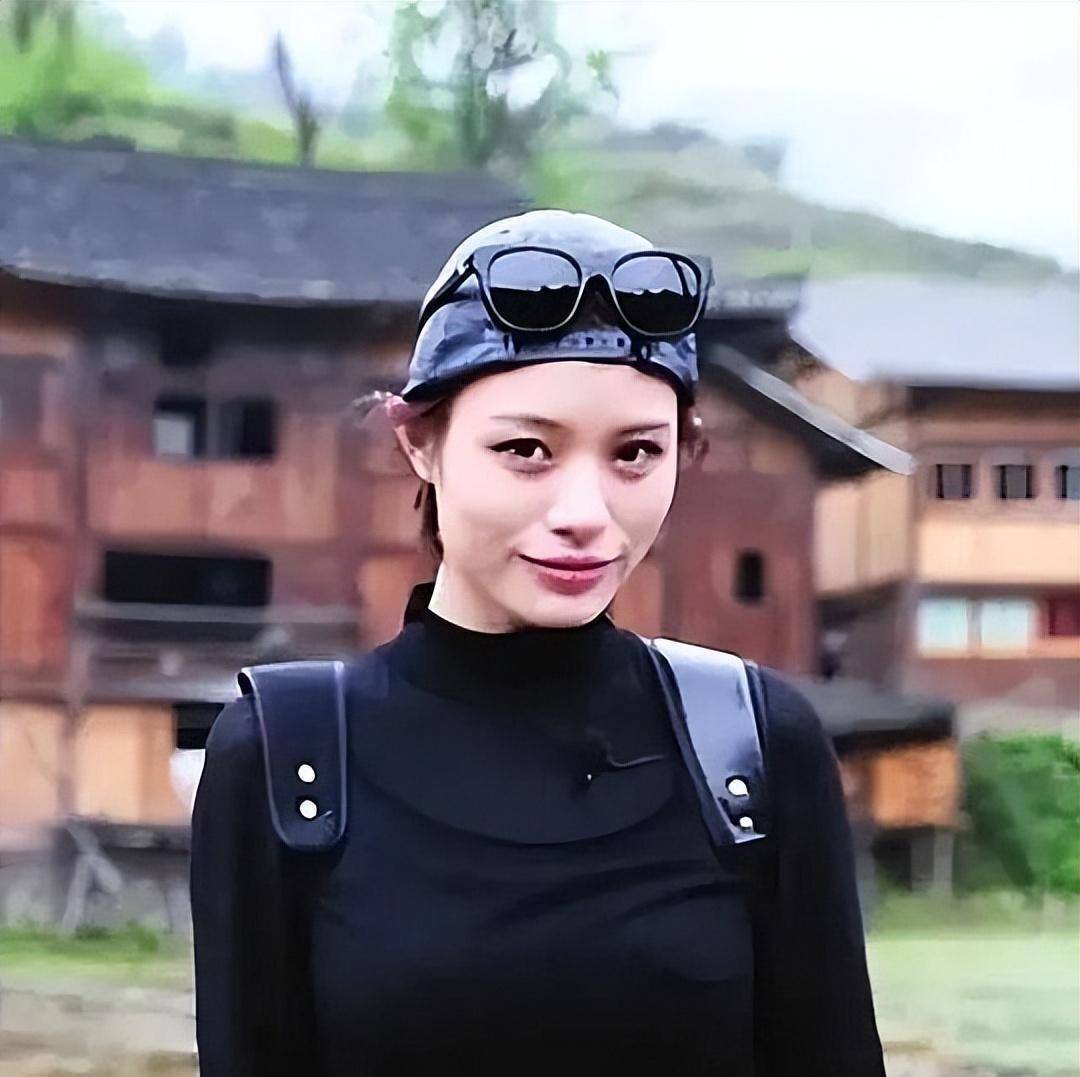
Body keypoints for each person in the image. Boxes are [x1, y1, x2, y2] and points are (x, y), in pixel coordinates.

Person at [189, 209, 886, 1076]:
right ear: (420, 443)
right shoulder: (286, 756)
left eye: (636, 453)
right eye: (526, 449)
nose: (585, 514)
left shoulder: (754, 746)